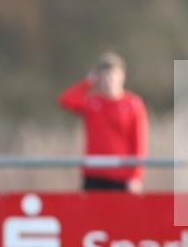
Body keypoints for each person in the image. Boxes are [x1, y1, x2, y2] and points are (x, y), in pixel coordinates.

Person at [58, 52, 148, 192]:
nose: (109, 81)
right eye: (104, 76)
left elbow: (139, 143)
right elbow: (66, 99)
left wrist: (136, 176)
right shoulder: (92, 103)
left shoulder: (133, 104)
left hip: (122, 176)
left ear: (122, 76)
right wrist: (87, 82)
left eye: (112, 76)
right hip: (94, 175)